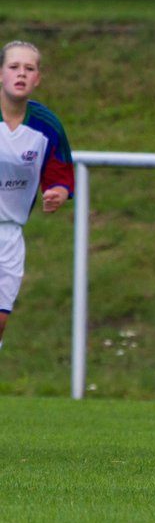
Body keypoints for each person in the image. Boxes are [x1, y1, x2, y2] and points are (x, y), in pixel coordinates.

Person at [0, 40, 74, 352]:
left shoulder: (47, 126)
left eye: (29, 68)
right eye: (14, 67)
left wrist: (57, 193)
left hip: (9, 234)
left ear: (37, 79)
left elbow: (60, 177)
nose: (21, 74)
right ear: (0, 74)